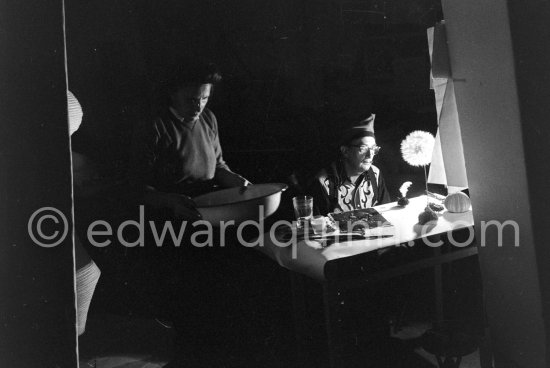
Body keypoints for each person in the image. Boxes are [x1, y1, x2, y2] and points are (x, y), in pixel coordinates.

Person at [311, 113, 390, 215]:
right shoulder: (325, 182)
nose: (370, 155)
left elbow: (386, 213)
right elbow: (317, 226)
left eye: (373, 148)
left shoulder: (375, 174)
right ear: (345, 151)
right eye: (363, 148)